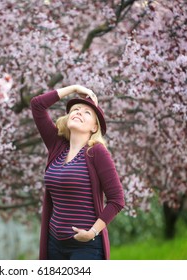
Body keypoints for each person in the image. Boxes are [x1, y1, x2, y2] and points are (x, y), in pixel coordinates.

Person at [30, 85, 125, 260]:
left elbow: (117, 200)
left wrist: (93, 232)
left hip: (85, 247)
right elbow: (37, 105)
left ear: (94, 127)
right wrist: (74, 88)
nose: (79, 112)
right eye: (75, 109)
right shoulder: (56, 146)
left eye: (87, 112)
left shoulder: (96, 152)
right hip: (54, 243)